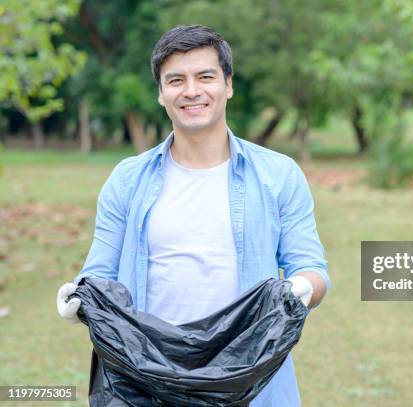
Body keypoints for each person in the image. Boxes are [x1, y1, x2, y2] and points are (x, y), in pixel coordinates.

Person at [55, 25, 330, 406]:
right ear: (161, 93)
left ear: (228, 85)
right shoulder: (128, 180)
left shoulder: (278, 175)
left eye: (205, 77)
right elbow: (100, 271)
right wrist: (79, 293)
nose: (191, 91)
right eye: (176, 80)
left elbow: (313, 269)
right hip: (147, 380)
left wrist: (301, 288)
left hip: (247, 382)